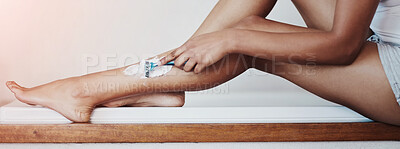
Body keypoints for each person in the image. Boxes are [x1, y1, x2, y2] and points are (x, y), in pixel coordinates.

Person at [5, 0, 400, 126]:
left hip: (394, 76)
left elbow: (344, 47)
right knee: (243, 34)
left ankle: (86, 88)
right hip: (378, 46)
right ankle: (164, 83)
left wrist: (232, 37)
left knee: (246, 44)